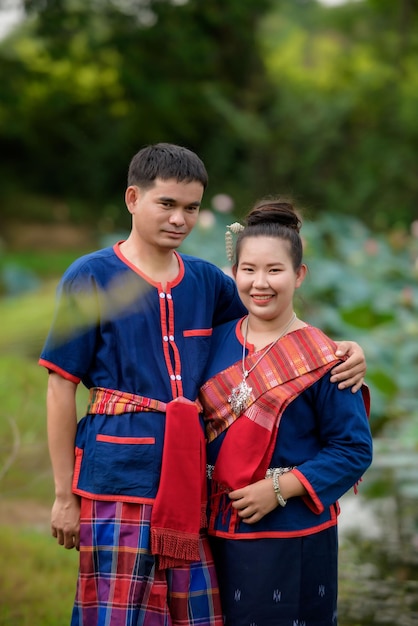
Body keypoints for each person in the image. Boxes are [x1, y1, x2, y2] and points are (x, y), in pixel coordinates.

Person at [39, 143, 366, 626]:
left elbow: (272, 335)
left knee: (194, 614)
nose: (179, 219)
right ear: (132, 198)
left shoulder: (208, 281)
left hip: (192, 482)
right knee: (119, 613)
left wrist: (346, 348)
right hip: (116, 475)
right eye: (166, 204)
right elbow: (60, 387)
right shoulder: (90, 276)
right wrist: (64, 495)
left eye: (191, 207)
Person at [199, 198, 373, 626]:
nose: (260, 283)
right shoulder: (214, 340)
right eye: (248, 269)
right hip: (212, 530)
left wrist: (279, 488)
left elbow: (353, 450)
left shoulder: (326, 359)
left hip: (293, 536)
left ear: (299, 276)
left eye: (275, 270)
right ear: (234, 272)